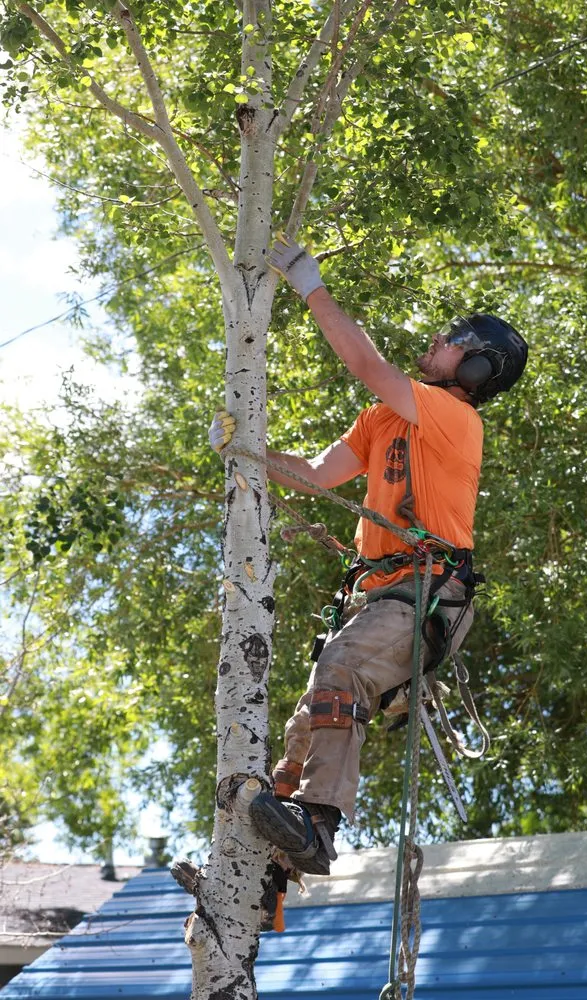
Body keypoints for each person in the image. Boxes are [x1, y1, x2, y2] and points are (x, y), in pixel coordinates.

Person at [209, 236, 528, 877]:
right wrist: (248, 452)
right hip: (383, 595)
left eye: (450, 341)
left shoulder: (452, 417)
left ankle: (318, 826)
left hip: (429, 592)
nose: (434, 343)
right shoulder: (386, 419)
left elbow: (365, 363)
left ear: (474, 370)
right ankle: (275, 847)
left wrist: (311, 287)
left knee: (342, 666)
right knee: (309, 720)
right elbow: (318, 474)